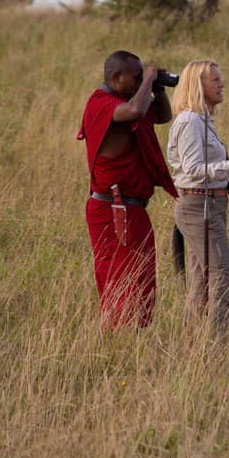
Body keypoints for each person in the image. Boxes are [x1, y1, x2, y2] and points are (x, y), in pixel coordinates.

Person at [78, 50, 178, 331]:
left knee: (142, 280)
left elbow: (163, 116)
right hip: (113, 209)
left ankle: (133, 341)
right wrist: (147, 79)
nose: (137, 84)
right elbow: (135, 111)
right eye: (134, 78)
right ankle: (118, 343)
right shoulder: (101, 104)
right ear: (115, 77)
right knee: (120, 283)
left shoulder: (128, 100)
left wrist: (156, 89)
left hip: (133, 209)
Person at [167, 60, 229, 338]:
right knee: (223, 276)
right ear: (198, 85)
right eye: (215, 80)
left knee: (202, 279)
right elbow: (192, 171)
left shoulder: (202, 119)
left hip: (208, 204)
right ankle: (214, 342)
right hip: (199, 206)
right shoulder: (190, 121)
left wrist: (228, 179)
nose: (221, 84)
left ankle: (194, 343)